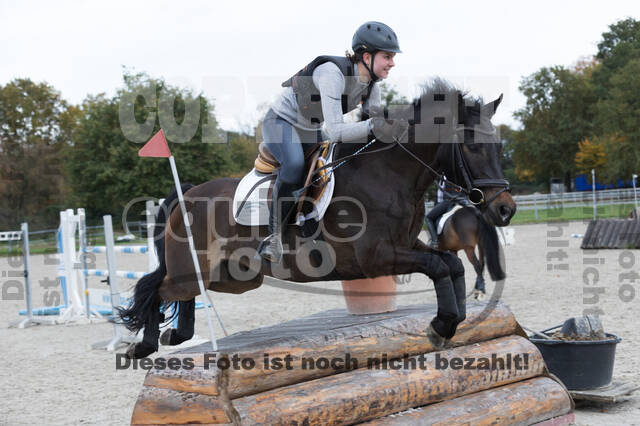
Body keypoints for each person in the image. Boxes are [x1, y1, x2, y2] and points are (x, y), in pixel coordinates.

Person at [257, 21, 409, 263]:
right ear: (367, 56)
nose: (392, 63)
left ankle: (309, 222)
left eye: (392, 57)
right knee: (295, 165)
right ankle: (273, 237)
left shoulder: (372, 86)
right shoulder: (332, 73)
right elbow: (337, 131)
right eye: (387, 57)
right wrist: (375, 125)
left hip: (310, 129)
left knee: (333, 166)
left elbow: (375, 133)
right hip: (281, 123)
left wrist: (398, 130)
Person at [424, 176, 468, 248]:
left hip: (450, 201)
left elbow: (441, 195)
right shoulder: (459, 174)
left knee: (428, 218)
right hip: (464, 200)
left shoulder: (445, 176)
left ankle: (435, 241)